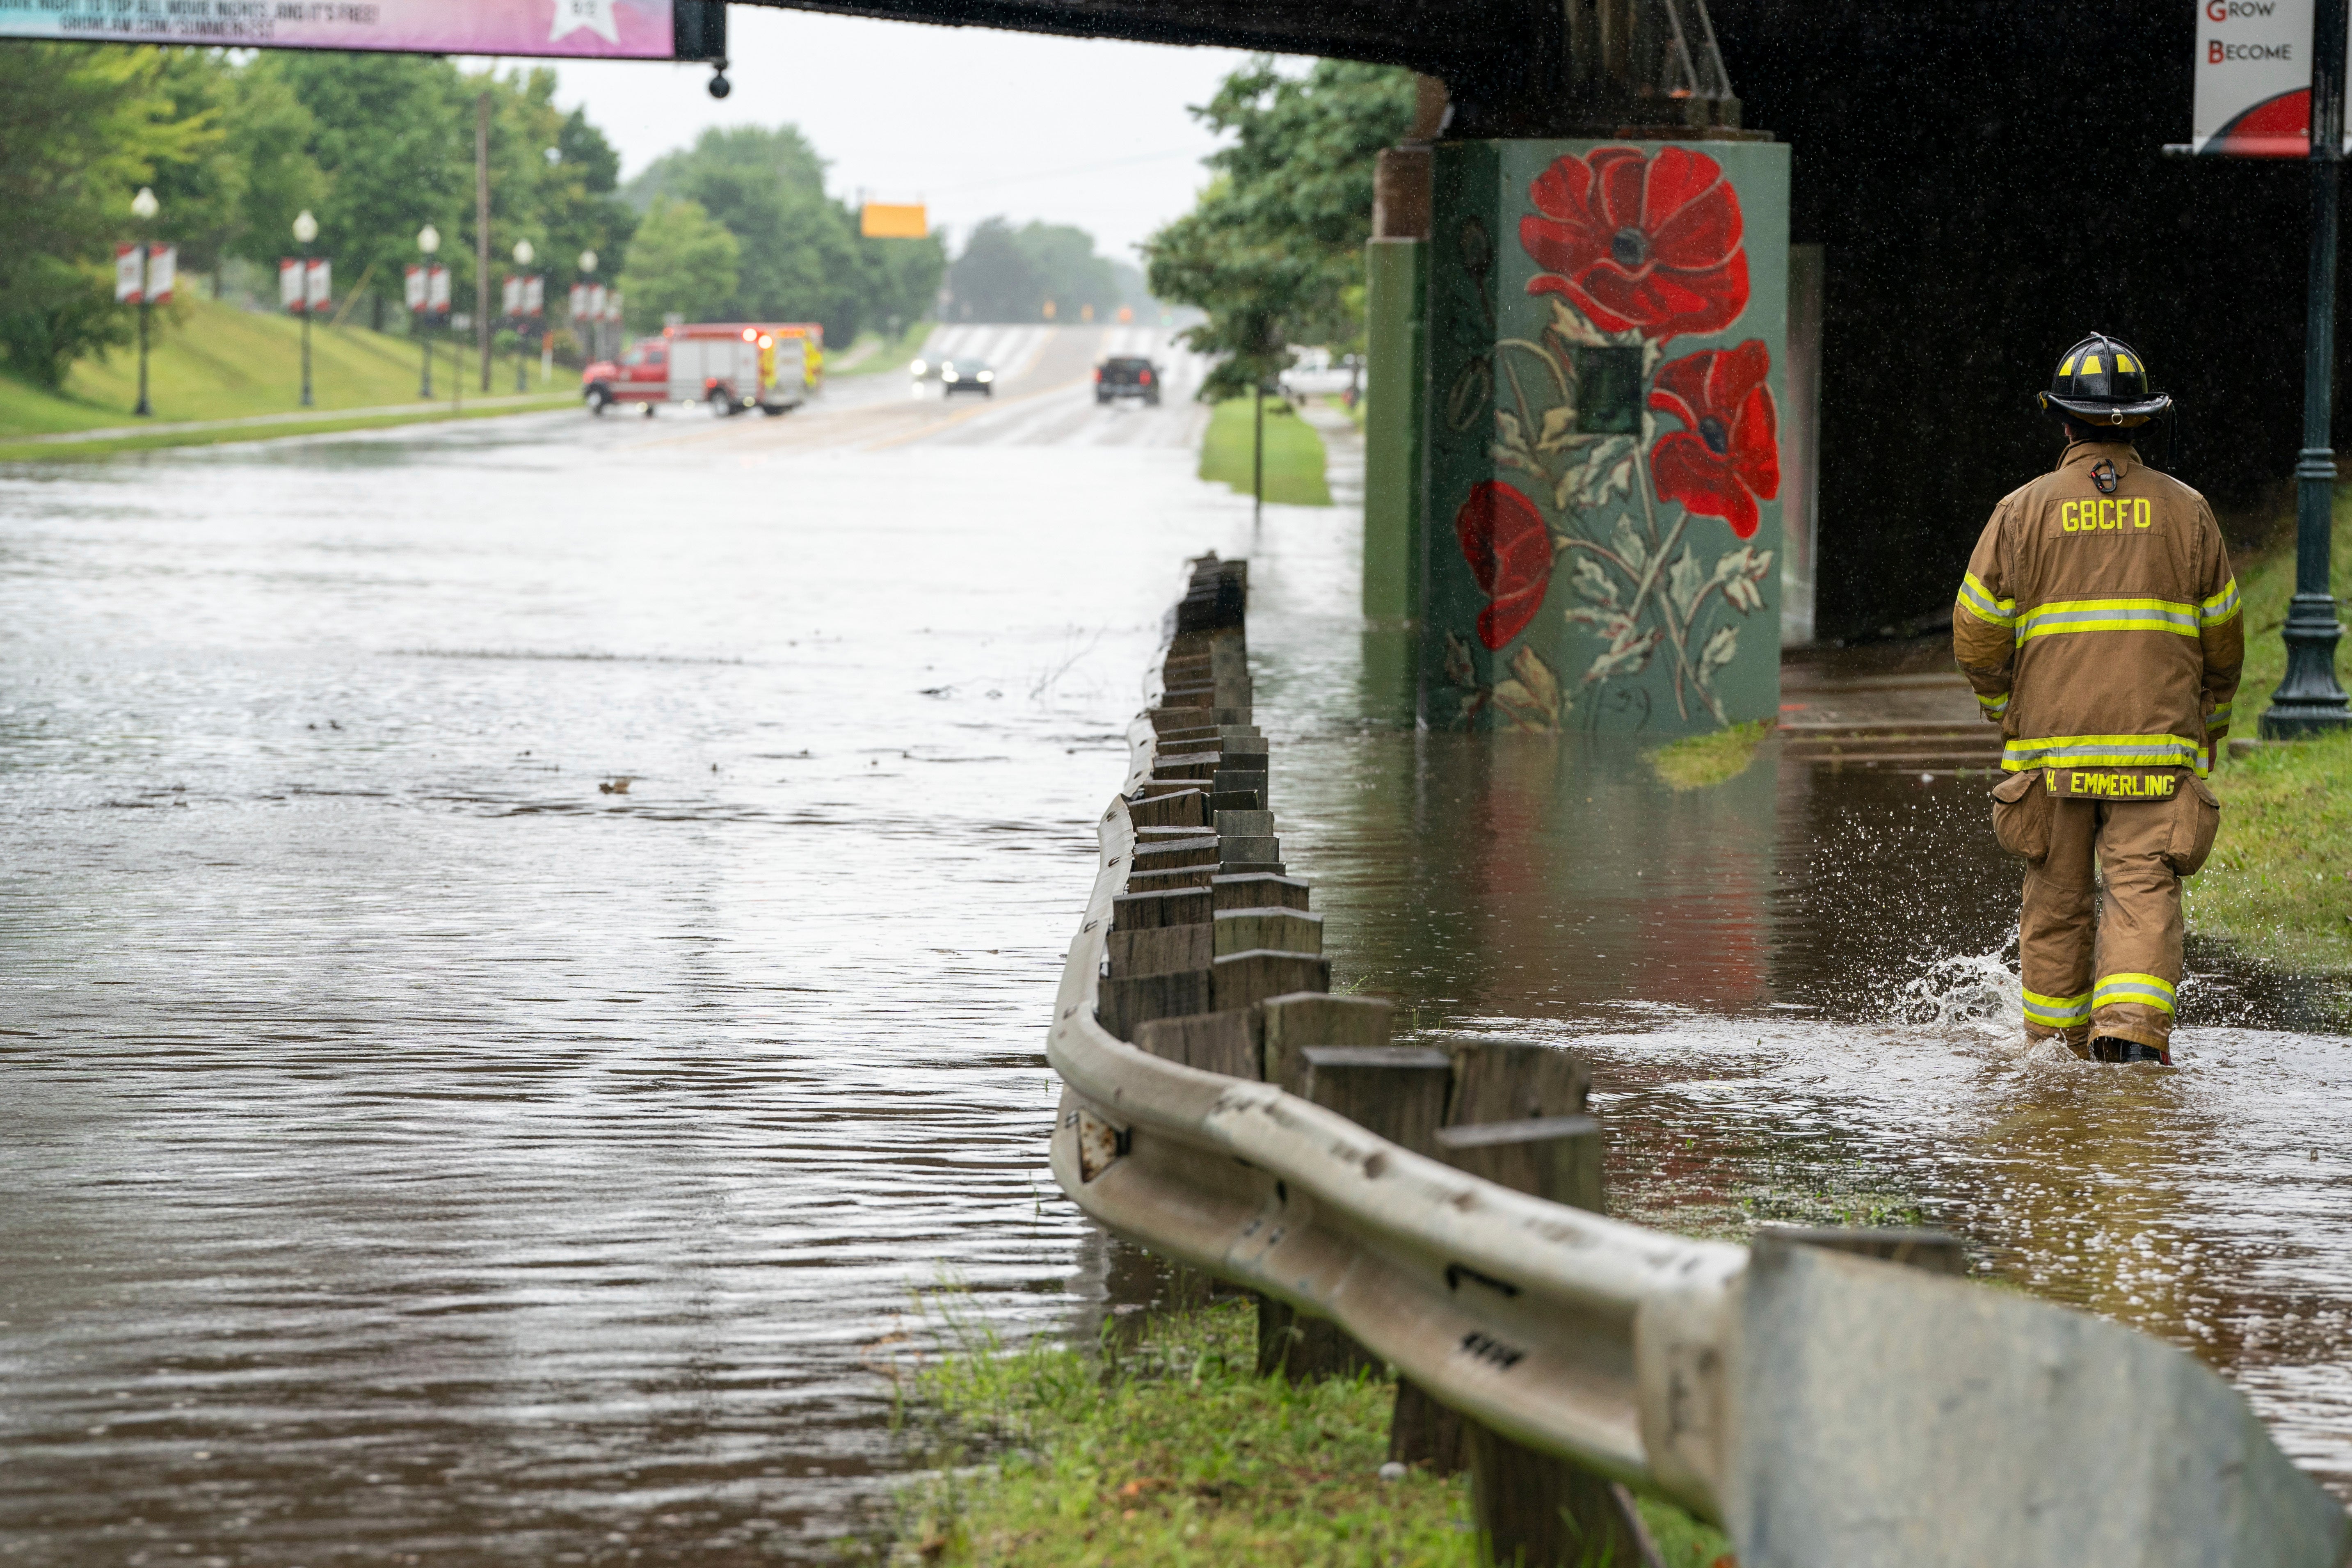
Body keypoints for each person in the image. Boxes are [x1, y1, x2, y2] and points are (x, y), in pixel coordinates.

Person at [1953, 332, 2242, 1066]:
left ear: (2063, 422)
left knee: (2054, 903)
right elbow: (2223, 640)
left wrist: (2001, 706)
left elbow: (1976, 633)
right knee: (2141, 889)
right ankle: (2132, 1042)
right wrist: (2210, 721)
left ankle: (2054, 1057)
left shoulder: (2020, 512)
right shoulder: (2189, 512)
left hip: (2050, 756)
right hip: (2154, 752)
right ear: (2143, 421)